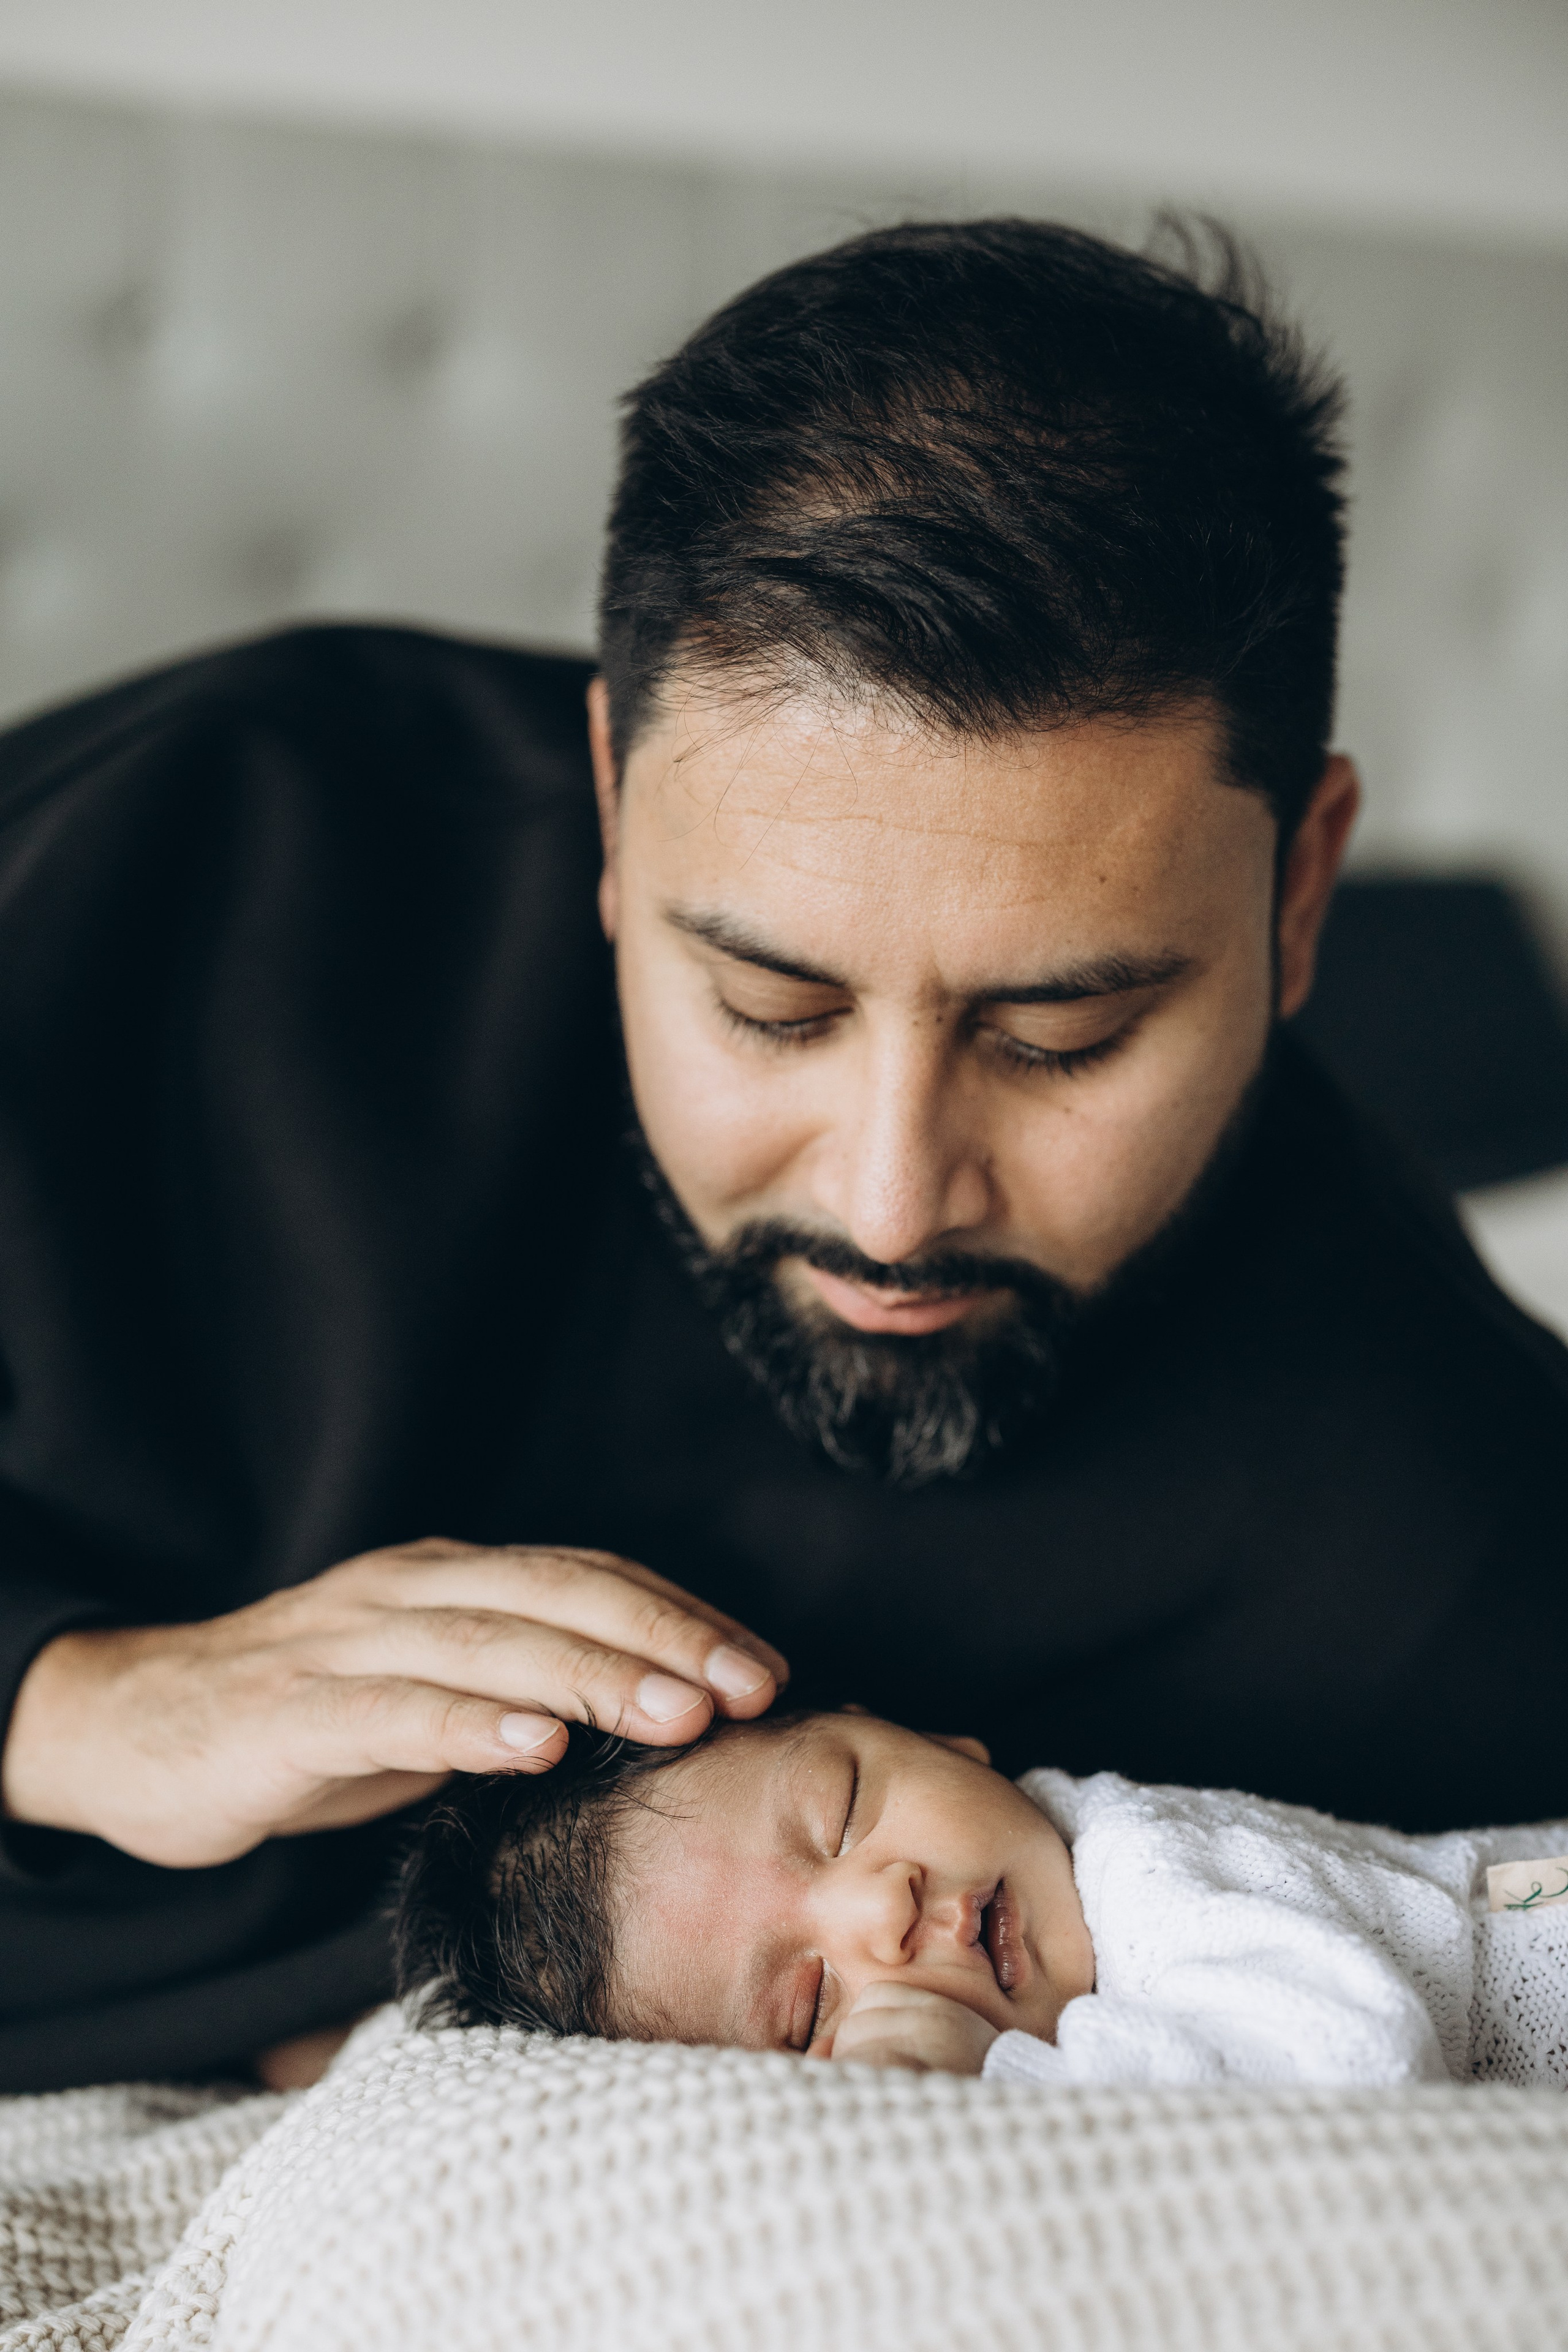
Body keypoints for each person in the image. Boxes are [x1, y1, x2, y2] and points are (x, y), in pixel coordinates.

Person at [0, 219, 1564, 2094]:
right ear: (606, 796)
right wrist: (70, 1706)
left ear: (1303, 891)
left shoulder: (1451, 1544)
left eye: (1060, 1036)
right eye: (771, 1006)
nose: (892, 1202)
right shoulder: (208, 852)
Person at [394, 1709, 1568, 2092]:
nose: (881, 1910)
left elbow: (1355, 2059)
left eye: (844, 1812)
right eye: (810, 2008)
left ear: (937, 1740)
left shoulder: (1150, 1873)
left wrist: (962, 2060)